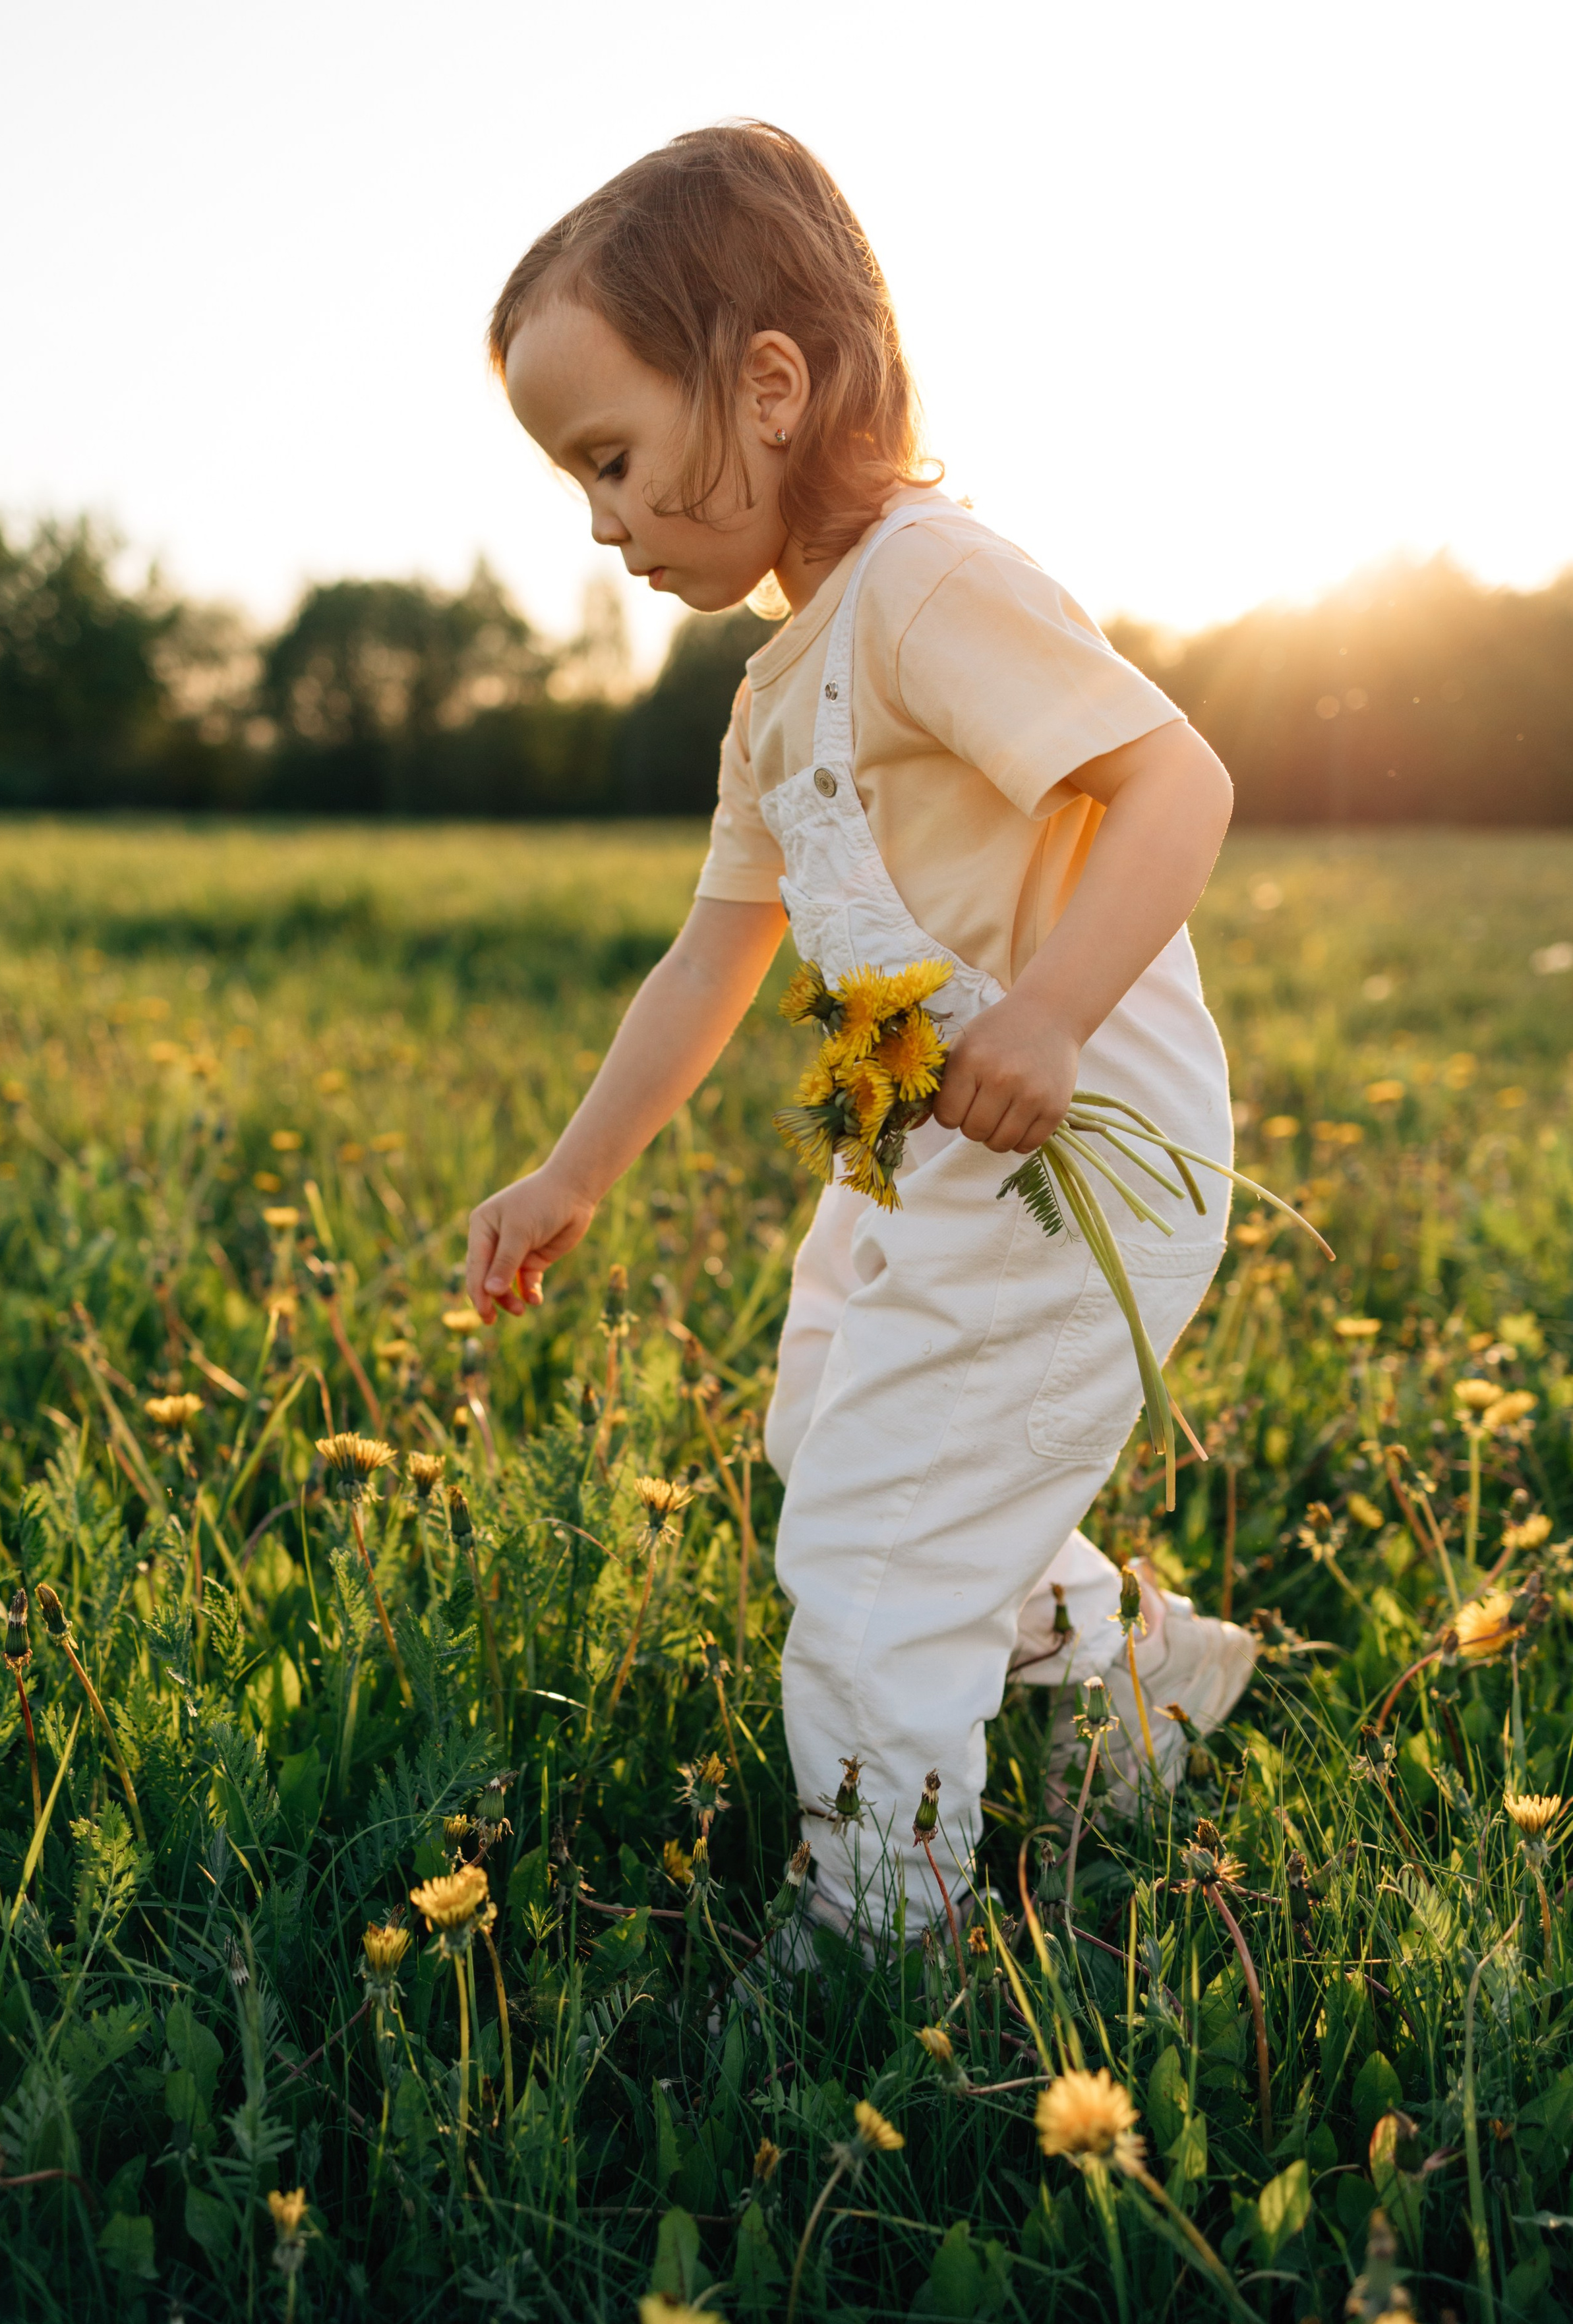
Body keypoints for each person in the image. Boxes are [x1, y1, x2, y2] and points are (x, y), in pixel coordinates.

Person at [467, 121, 1255, 1945]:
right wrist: (579, 1165)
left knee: (873, 1548)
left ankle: (872, 1935)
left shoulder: (928, 582)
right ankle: (1132, 1661)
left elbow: (1177, 781)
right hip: (935, 1156)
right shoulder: (773, 697)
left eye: (612, 457)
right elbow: (708, 960)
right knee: (831, 1434)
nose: (600, 520)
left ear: (763, 386)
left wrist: (1054, 1017)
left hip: (1074, 1152)